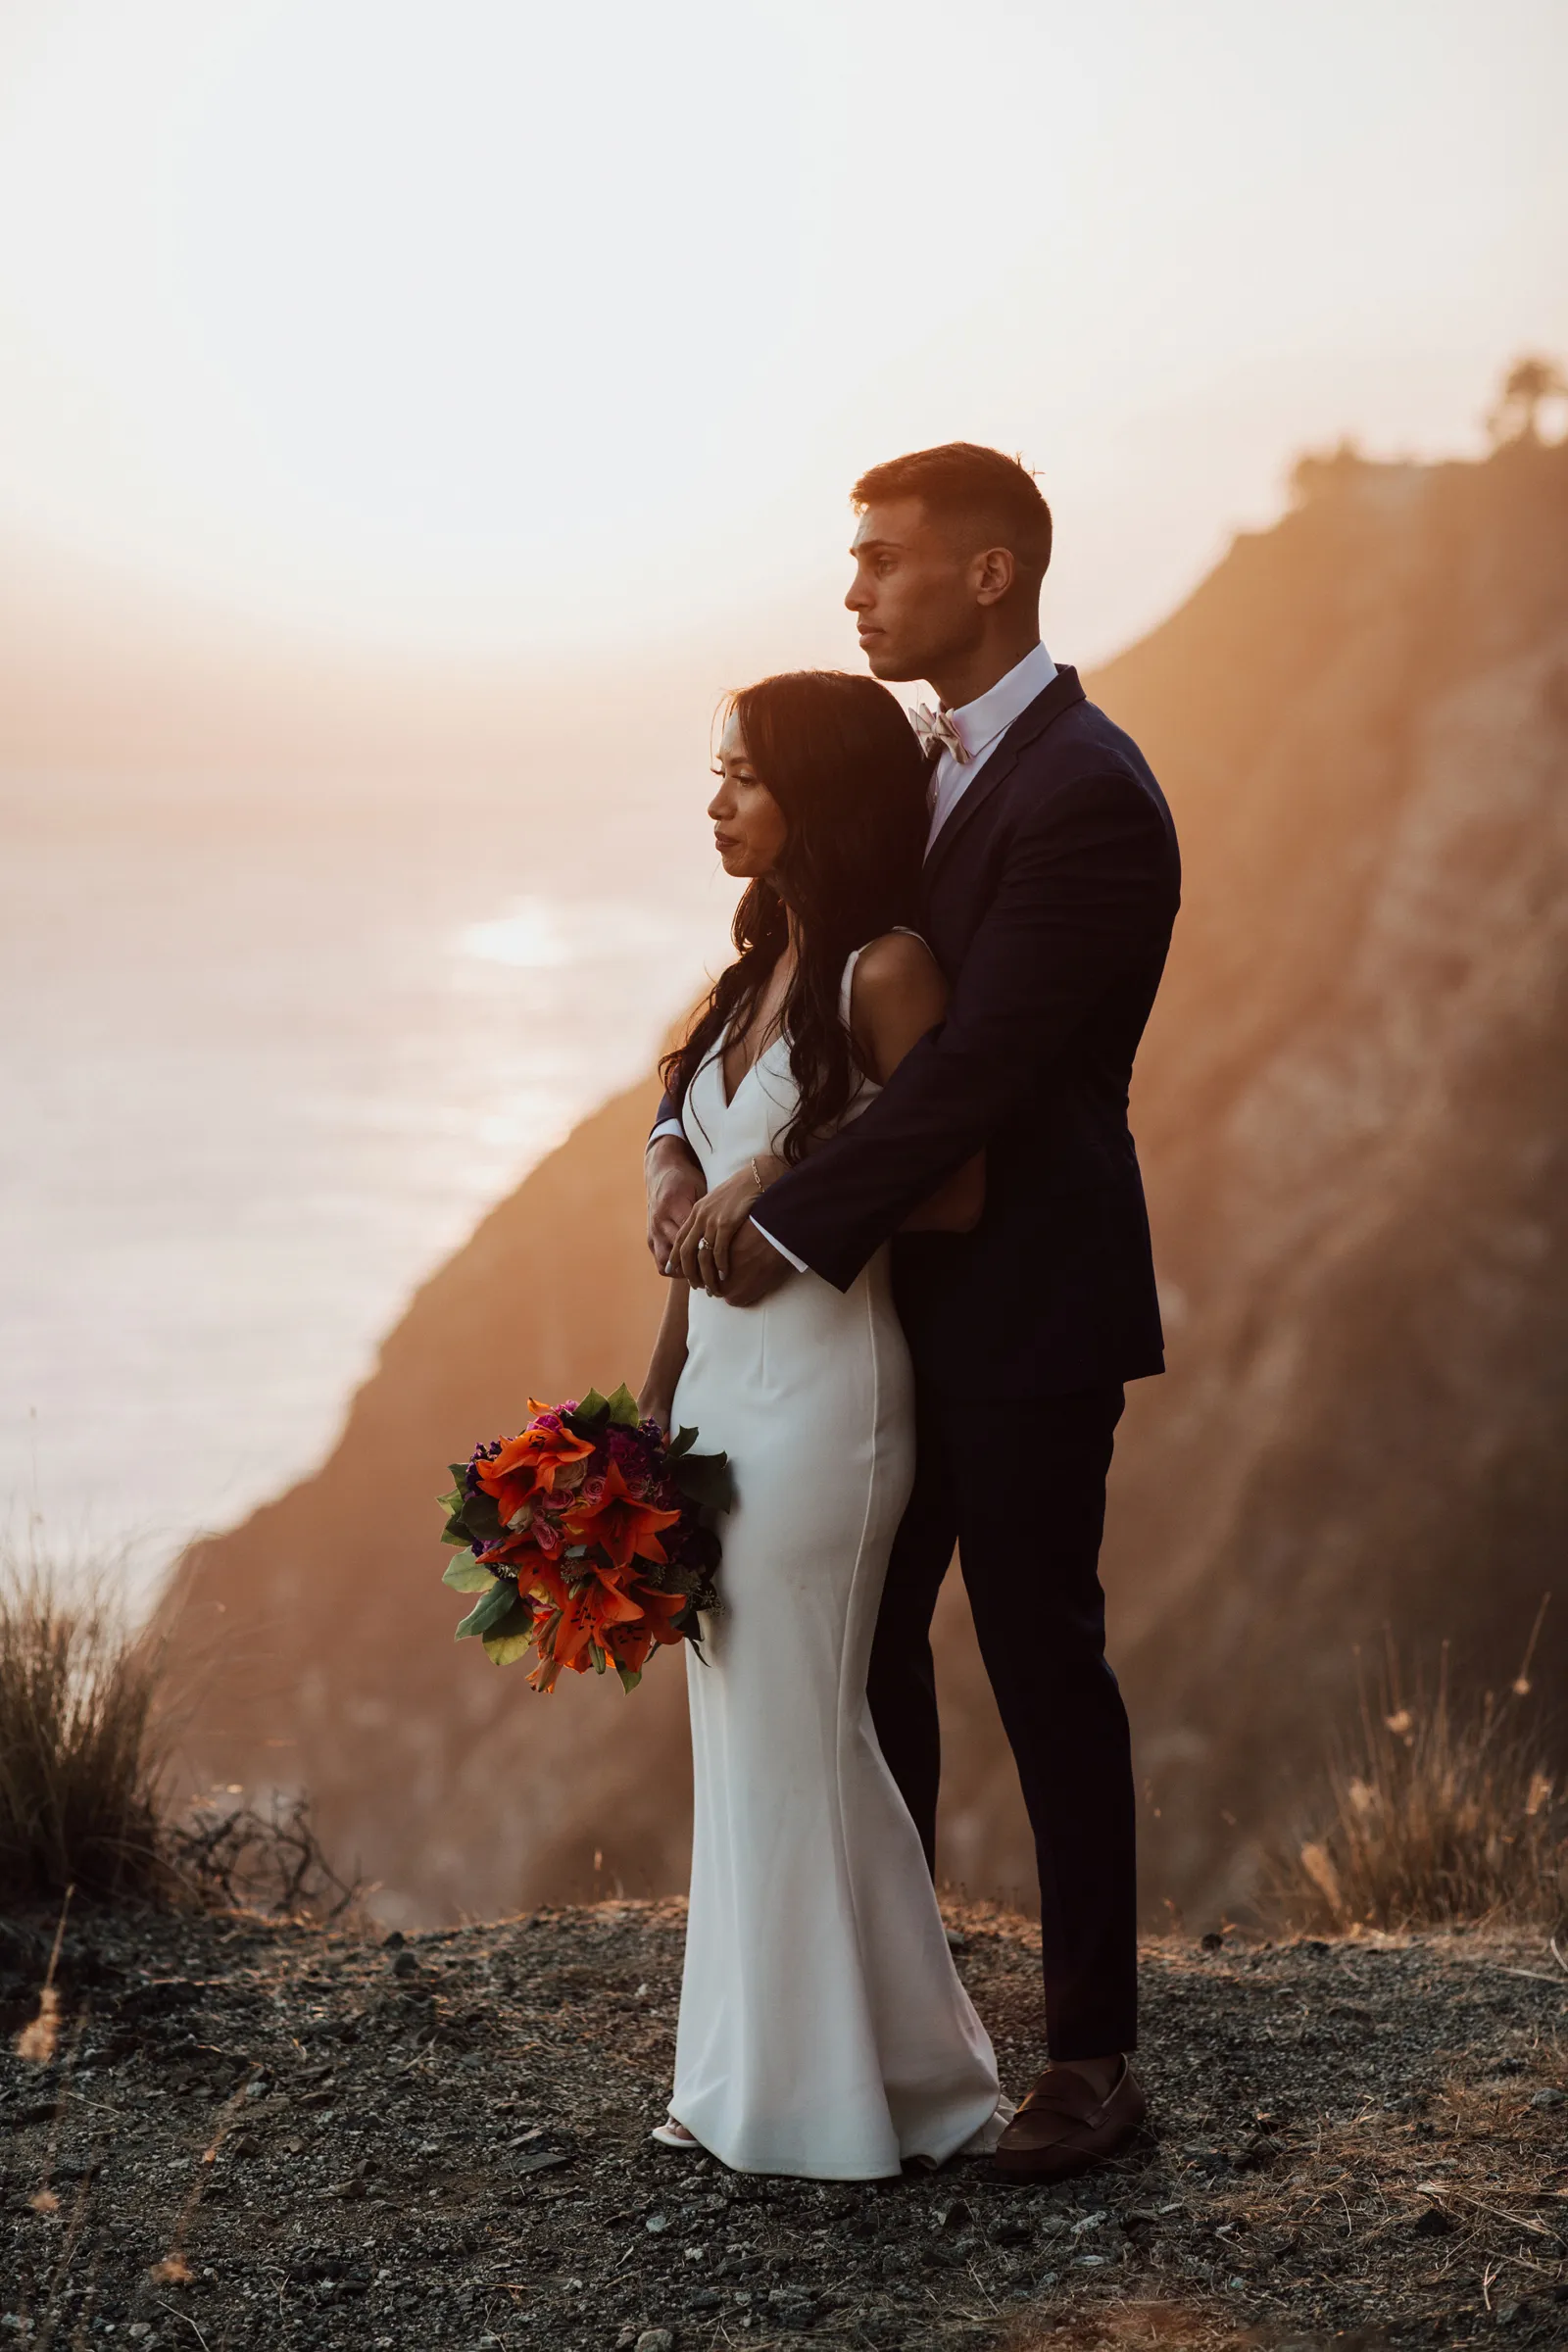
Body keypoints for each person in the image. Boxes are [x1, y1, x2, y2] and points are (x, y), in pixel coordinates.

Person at [648, 443, 1180, 2180]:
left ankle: (1093, 2058)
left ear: (991, 577)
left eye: (879, 561)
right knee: (870, 1664)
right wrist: (697, 1162)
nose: (854, 589)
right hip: (874, 1326)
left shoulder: (1088, 791)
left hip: (1022, 1298)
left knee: (1042, 1654)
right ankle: (888, 2025)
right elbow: (770, 1000)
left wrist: (772, 1225)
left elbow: (977, 1085)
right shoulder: (908, 774)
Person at [637, 668, 1013, 2180]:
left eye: (741, 774)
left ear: (819, 790)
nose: (715, 800)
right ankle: (761, 2072)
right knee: (741, 1733)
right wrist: (649, 1403)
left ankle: (862, 2093)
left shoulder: (885, 970)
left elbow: (960, 1186)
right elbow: (687, 1143)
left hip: (826, 1408)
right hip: (722, 1388)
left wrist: (775, 1185)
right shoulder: (757, 972)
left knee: (806, 1733)